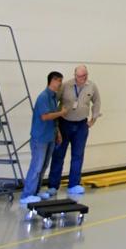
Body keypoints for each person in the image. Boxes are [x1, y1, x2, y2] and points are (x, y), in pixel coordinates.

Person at [45, 64, 101, 198]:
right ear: (75, 75)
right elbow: (54, 101)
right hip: (65, 124)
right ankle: (53, 185)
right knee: (58, 155)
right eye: (81, 76)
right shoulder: (65, 86)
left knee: (78, 155)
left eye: (86, 75)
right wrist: (55, 124)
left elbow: (97, 102)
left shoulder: (91, 86)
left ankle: (74, 184)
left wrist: (93, 119)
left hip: (81, 125)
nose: (84, 78)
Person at [19, 72, 67, 206]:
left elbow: (53, 119)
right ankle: (26, 195)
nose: (60, 84)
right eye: (58, 81)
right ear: (51, 81)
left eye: (61, 81)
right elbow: (45, 117)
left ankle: (35, 191)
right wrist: (61, 113)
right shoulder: (43, 97)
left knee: (44, 166)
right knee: (36, 166)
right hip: (40, 138)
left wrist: (57, 132)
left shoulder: (53, 98)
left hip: (49, 136)